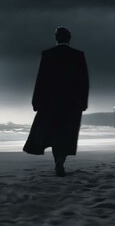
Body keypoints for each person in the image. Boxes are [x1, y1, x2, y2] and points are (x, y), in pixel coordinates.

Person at [24, 26, 90, 177]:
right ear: (69, 38)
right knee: (66, 134)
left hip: (50, 103)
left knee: (53, 133)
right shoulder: (78, 55)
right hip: (72, 103)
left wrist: (36, 101)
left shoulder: (48, 54)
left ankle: (58, 161)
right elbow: (83, 81)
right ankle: (60, 160)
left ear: (56, 38)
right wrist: (83, 102)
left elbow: (41, 80)